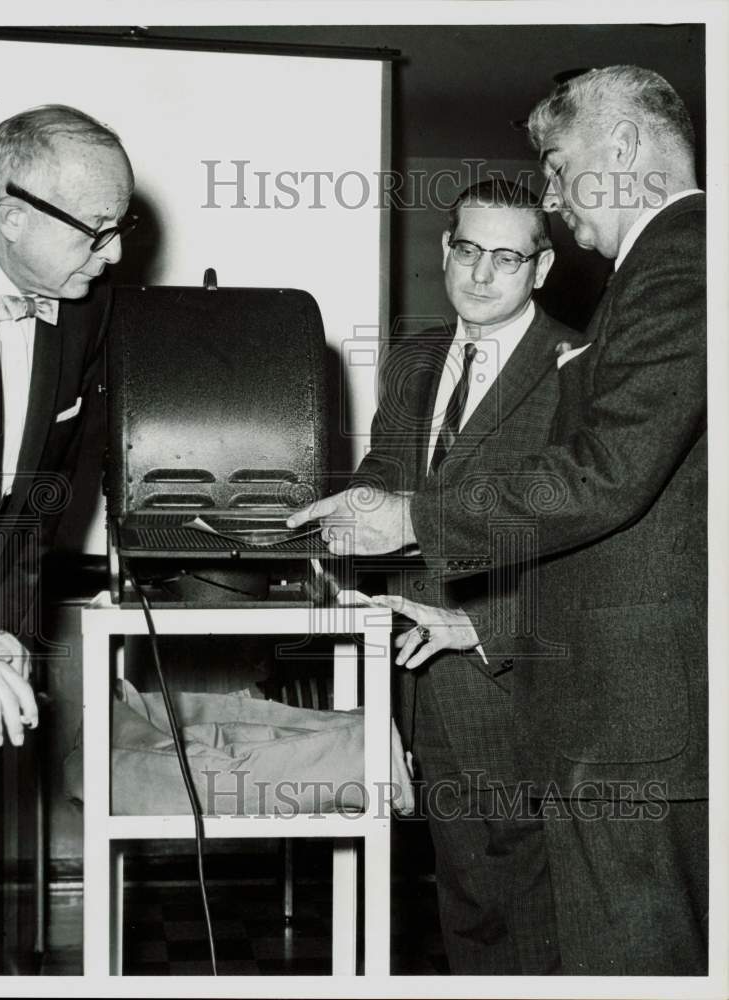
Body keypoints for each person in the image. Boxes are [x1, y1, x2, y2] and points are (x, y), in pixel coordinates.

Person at [289, 65, 707, 974]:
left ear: (624, 148)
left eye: (556, 167)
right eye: (466, 250)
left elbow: (604, 481)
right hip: (531, 689)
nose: (552, 195)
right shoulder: (420, 359)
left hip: (602, 700)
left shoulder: (671, 271)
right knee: (498, 914)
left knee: (605, 946)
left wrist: (413, 522)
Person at [347, 179, 581, 974]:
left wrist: (489, 628)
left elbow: (595, 539)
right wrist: (346, 507)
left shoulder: (579, 369)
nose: (482, 275)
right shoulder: (413, 360)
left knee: (527, 892)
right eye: (468, 251)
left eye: (507, 257)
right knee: (464, 888)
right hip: (415, 661)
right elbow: (389, 475)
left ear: (540, 268)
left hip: (514, 667)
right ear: (445, 253)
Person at [0, 104, 136, 747]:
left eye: (122, 225)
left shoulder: (87, 305)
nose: (116, 254)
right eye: (97, 230)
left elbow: (42, 488)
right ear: (13, 217)